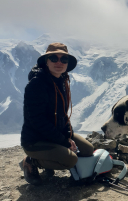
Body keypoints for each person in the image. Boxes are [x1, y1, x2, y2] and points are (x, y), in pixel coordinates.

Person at [20, 42, 94, 185]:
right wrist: (64, 141)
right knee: (71, 160)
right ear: (46, 62)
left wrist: (68, 135)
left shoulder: (62, 81)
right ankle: (31, 161)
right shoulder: (36, 84)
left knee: (88, 150)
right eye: (54, 58)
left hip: (56, 132)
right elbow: (38, 121)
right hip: (36, 139)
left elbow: (62, 115)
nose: (59, 62)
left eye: (63, 59)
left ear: (67, 63)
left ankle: (52, 156)